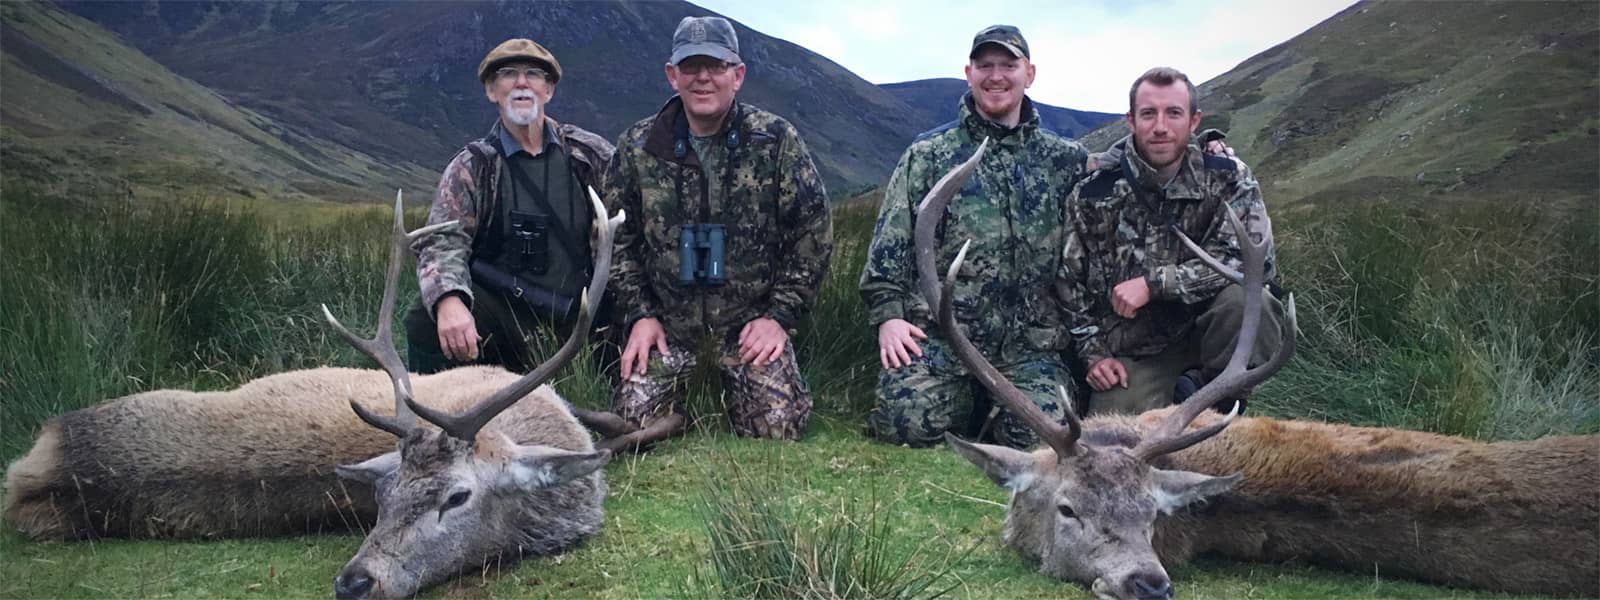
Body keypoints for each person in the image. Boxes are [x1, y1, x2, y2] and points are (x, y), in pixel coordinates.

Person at [600, 16, 833, 445]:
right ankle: (683, 407)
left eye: (716, 66)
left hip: (748, 331)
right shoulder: (636, 148)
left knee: (777, 428)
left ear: (737, 75)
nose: (703, 77)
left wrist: (779, 317)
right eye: (690, 67)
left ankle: (724, 400)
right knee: (634, 427)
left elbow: (811, 233)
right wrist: (640, 314)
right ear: (673, 75)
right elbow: (615, 241)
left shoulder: (776, 141)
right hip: (667, 332)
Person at [859, 25, 1092, 449]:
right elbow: (889, 245)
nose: (996, 76)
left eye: (1008, 65)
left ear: (1030, 73)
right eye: (985, 66)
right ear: (969, 73)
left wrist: (1205, 148)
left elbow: (1130, 167)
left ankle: (985, 410)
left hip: (1029, 347)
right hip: (942, 338)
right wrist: (889, 315)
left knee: (1044, 442)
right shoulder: (928, 155)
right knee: (906, 424)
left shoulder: (1065, 160)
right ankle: (966, 403)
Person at [1059, 66, 1284, 416]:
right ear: (1131, 121)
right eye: (1148, 114)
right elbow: (1069, 283)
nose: (1160, 127)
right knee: (1115, 435)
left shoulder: (1228, 177)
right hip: (1136, 348)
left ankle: (1220, 402)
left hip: (1211, 333)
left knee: (1251, 302)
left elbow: (1254, 264)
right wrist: (1094, 355)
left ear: (1194, 121)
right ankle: (1186, 404)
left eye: (1173, 113)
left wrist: (1155, 284)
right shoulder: (1092, 194)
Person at [406, 38, 615, 375]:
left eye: (533, 74)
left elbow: (633, 229)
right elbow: (441, 240)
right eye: (507, 74)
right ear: (492, 90)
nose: (521, 83)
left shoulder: (589, 156)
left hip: (586, 315)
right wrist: (448, 299)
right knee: (424, 319)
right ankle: (430, 414)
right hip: (507, 319)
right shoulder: (473, 167)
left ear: (548, 90)